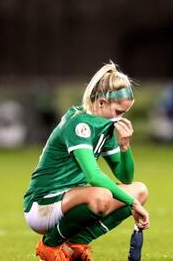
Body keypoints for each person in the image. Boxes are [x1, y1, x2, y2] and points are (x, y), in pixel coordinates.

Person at [23, 63, 150, 261]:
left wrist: (125, 147)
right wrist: (131, 203)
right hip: (43, 205)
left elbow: (125, 177)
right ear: (100, 103)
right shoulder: (80, 124)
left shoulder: (105, 126)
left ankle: (76, 245)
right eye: (118, 111)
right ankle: (50, 245)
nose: (120, 118)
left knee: (139, 190)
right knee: (101, 196)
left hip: (70, 199)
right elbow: (94, 176)